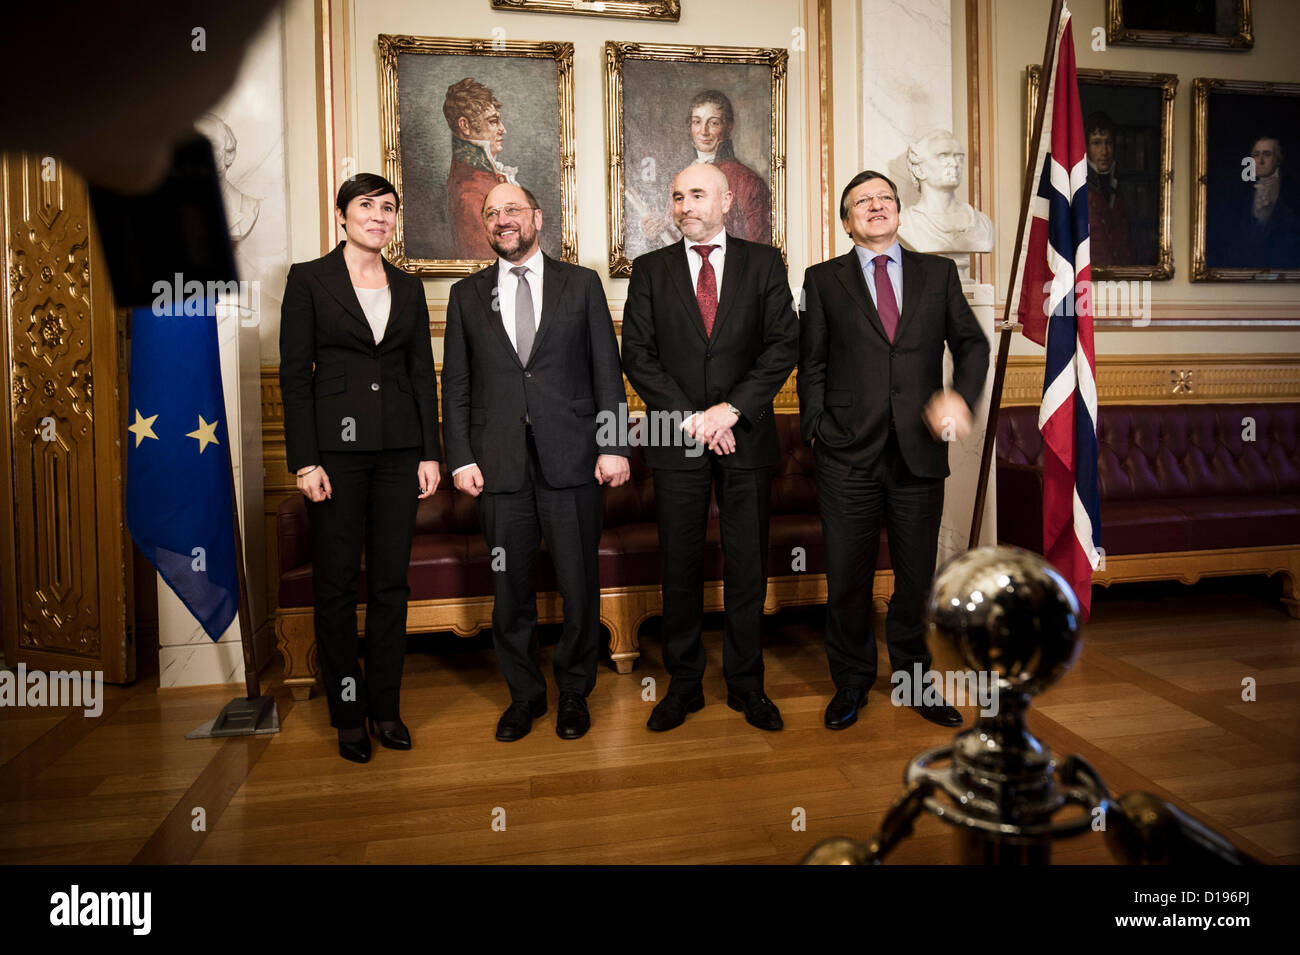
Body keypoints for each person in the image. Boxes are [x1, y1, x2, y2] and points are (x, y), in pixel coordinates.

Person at [798, 170, 989, 732]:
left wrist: (960, 398)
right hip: (846, 454)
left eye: (884, 198)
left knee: (915, 580)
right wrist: (816, 427)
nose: (875, 206)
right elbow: (812, 362)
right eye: (862, 201)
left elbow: (972, 344)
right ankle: (851, 683)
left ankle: (913, 679)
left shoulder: (938, 273)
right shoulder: (822, 280)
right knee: (849, 579)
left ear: (899, 213)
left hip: (919, 452)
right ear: (847, 222)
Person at [441, 182, 630, 742]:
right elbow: (455, 385)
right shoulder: (466, 295)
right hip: (497, 468)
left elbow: (606, 371)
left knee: (578, 584)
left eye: (513, 210)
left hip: (573, 461)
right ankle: (524, 696)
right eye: (492, 212)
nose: (503, 220)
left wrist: (614, 443)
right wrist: (460, 459)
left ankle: (574, 692)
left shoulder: (582, 283)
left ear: (537, 218)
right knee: (510, 589)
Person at [621, 162, 798, 732]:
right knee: (680, 564)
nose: (685, 205)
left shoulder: (765, 263)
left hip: (745, 435)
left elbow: (781, 346)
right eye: (677, 197)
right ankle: (685, 685)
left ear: (725, 201)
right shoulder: (649, 270)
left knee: (747, 564)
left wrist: (730, 410)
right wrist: (694, 418)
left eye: (697, 194)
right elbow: (639, 357)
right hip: (678, 440)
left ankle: (747, 686)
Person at [279, 173, 442, 763]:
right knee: (338, 584)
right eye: (367, 206)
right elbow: (296, 377)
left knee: (392, 583)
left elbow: (422, 374)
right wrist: (304, 463)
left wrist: (430, 451)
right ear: (343, 214)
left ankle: (386, 707)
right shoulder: (308, 279)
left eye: (389, 207)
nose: (379, 216)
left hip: (400, 453)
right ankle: (348, 712)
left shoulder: (409, 285)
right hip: (335, 457)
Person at [639, 90, 772, 249]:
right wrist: (655, 234)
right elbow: (675, 244)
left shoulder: (748, 181)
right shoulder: (679, 179)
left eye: (714, 123)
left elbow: (758, 250)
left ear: (729, 126)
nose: (704, 131)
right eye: (697, 122)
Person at [442, 77, 518, 260]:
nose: (503, 129)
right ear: (465, 126)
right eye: (493, 121)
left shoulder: (483, 176)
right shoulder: (470, 193)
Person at [897, 129, 993, 256]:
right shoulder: (905, 223)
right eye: (943, 156)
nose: (954, 164)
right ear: (918, 169)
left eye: (959, 157)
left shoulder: (982, 223)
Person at [1083, 112, 1134, 268]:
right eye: (1097, 143)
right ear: (1086, 146)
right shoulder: (1078, 190)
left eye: (1108, 143)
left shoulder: (1123, 189)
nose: (1104, 152)